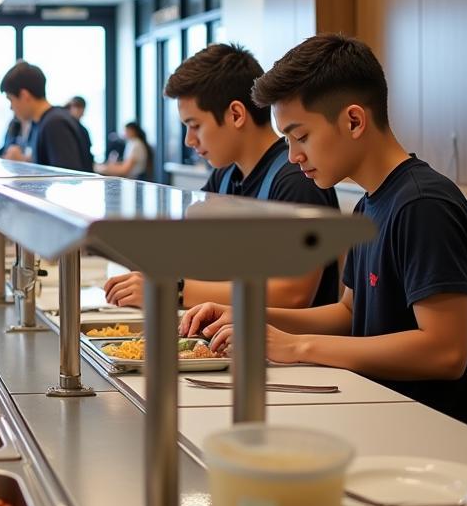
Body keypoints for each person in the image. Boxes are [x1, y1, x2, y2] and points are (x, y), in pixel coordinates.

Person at [183, 34, 467, 434]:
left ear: (353, 120)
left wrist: (297, 347)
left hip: (436, 435)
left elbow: (445, 351)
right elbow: (349, 313)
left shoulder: (421, 205)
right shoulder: (370, 204)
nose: (294, 156)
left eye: (301, 136)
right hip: (378, 413)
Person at [105, 43, 340, 311]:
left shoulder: (295, 179)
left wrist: (175, 290)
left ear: (236, 115)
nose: (189, 140)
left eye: (195, 126)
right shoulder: (224, 176)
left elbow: (292, 294)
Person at [0, 61, 93, 172]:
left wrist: (22, 166)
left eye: (11, 100)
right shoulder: (41, 123)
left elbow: (67, 180)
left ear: (25, 95)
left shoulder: (54, 124)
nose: (11, 107)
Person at [66, 96, 93, 160]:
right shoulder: (66, 128)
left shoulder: (83, 131)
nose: (77, 110)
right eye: (75, 107)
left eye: (80, 108)